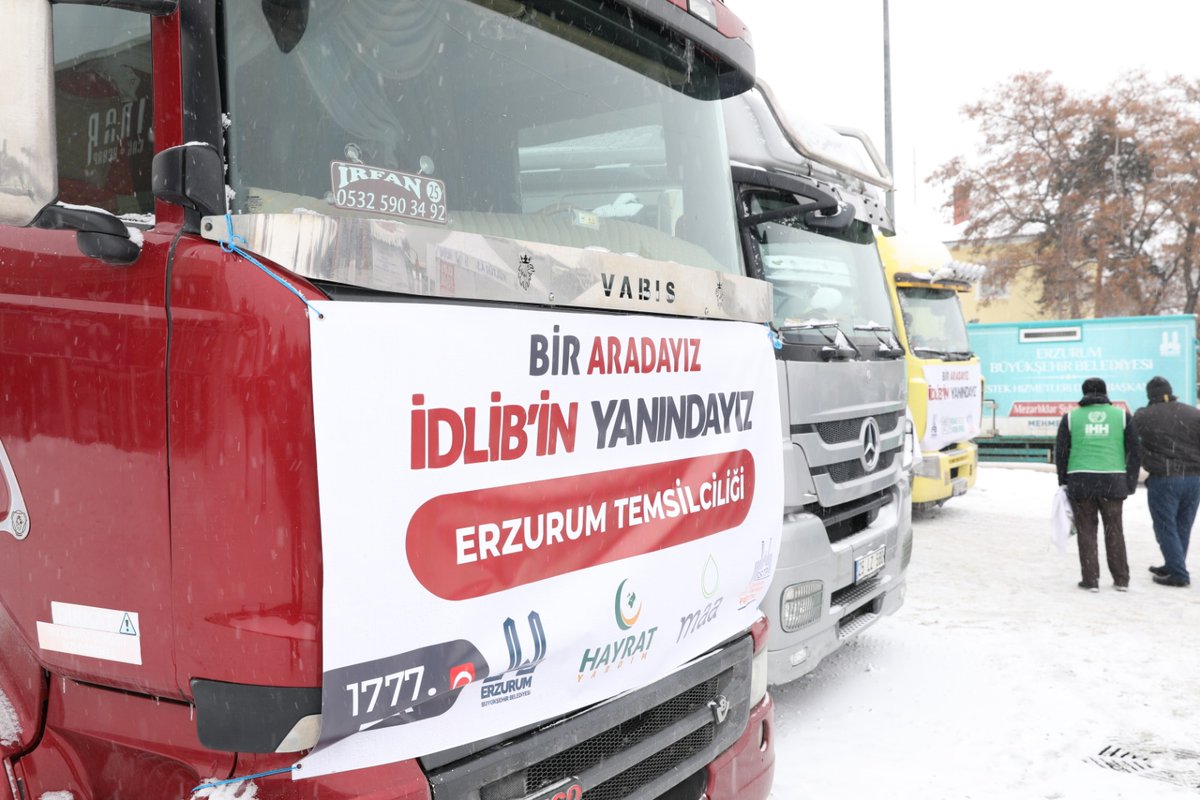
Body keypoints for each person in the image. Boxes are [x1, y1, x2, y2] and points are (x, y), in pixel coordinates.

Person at [1054, 377, 1141, 592]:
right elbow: (1135, 451)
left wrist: (1063, 482)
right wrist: (1130, 482)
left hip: (1081, 480)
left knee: (1086, 530)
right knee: (1114, 531)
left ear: (1084, 393)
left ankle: (1091, 580)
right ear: (1105, 392)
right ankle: (1121, 579)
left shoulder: (1071, 418)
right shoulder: (1122, 416)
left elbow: (1061, 453)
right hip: (1113, 480)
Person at [1132, 376, 1197, 588]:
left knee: (1165, 526)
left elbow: (1130, 440)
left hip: (1165, 478)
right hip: (1194, 479)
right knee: (1183, 525)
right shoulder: (1193, 413)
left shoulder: (1144, 415)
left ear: (1150, 394)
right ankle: (1174, 564)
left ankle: (1178, 573)